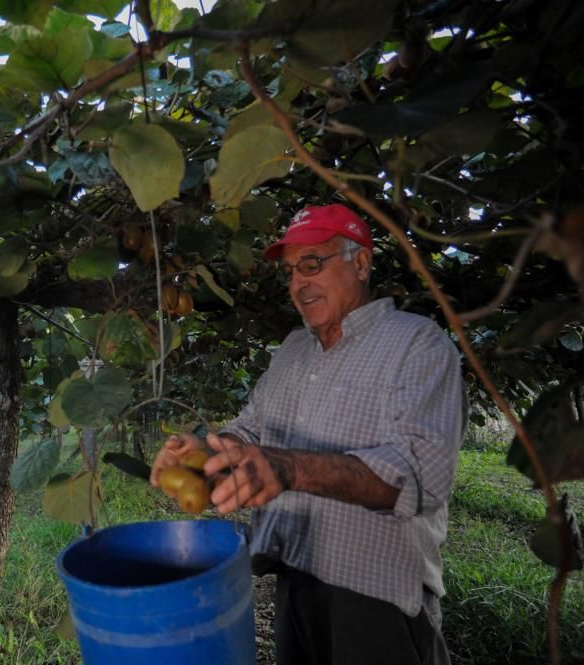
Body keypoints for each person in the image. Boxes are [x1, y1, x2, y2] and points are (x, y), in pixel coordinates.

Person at [151, 203, 466, 665]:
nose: (299, 283)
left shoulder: (415, 344)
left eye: (313, 264)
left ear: (360, 262)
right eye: (291, 271)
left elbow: (420, 477)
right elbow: (250, 427)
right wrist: (205, 450)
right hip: (293, 582)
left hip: (375, 598)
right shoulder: (294, 350)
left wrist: (289, 467)